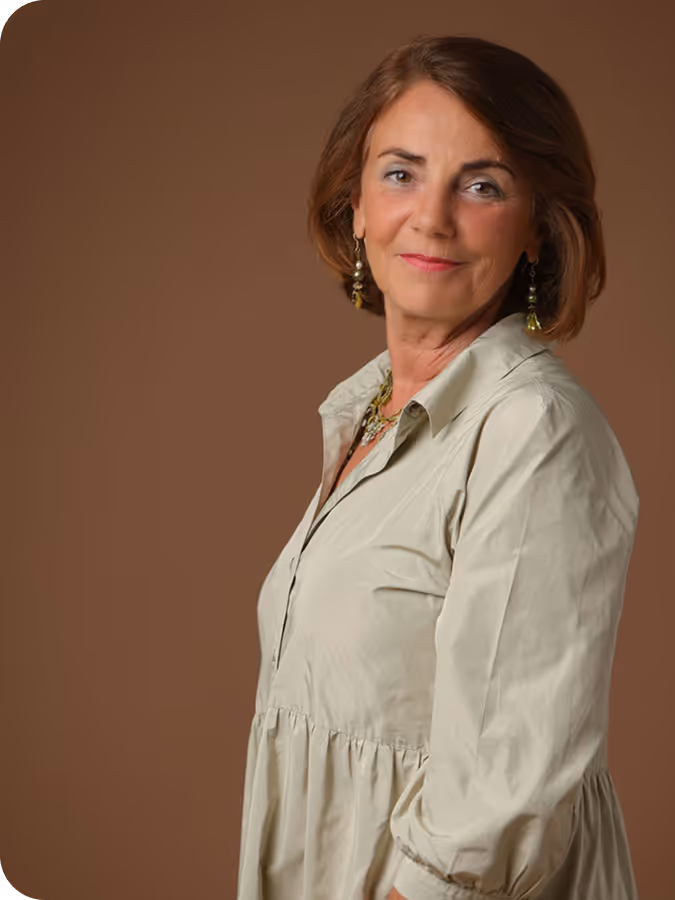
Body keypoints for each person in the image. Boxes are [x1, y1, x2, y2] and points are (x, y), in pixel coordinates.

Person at [237, 34, 641, 900]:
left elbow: (498, 798)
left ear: (537, 228)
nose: (432, 216)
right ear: (353, 208)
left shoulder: (535, 432)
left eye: (483, 185)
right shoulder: (369, 415)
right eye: (400, 173)